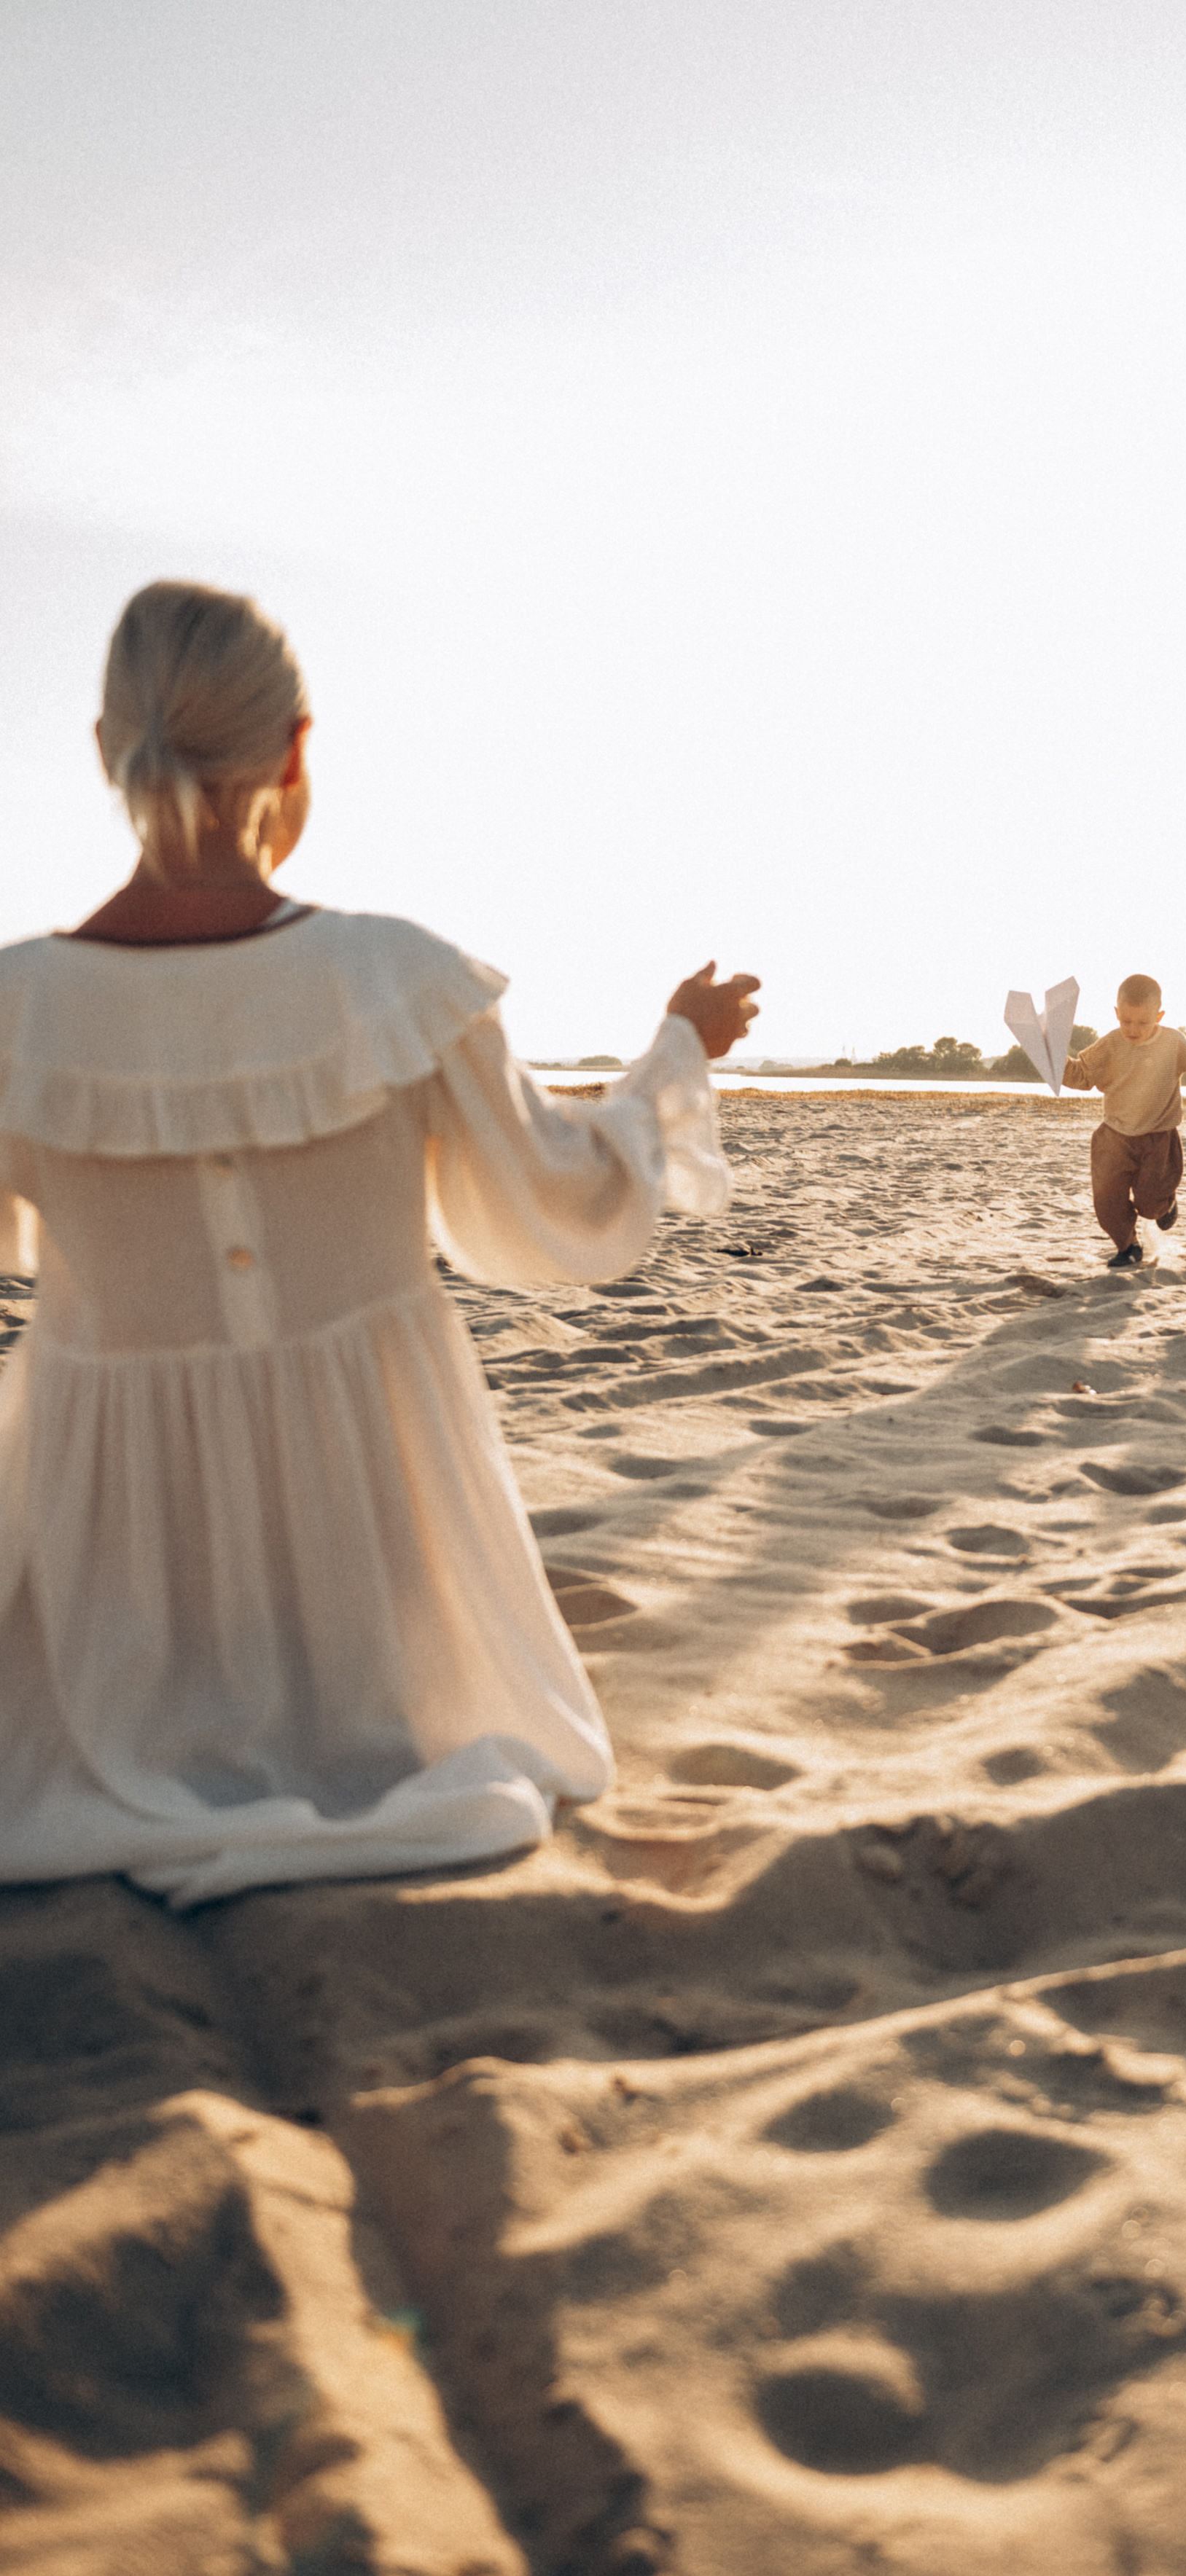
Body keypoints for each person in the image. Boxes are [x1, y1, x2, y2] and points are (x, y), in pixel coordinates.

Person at [0, 579, 759, 1909]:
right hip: (376, 1545)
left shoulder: (17, 1009)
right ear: (295, 750)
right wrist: (676, 1050)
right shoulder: (393, 977)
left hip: (106, 1557)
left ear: (105, 750)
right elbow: (566, 1199)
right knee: (449, 1752)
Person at [1063, 975, 1186, 1267]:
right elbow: (1082, 1075)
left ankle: (1166, 1205)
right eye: (1126, 1021)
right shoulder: (1109, 1045)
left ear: (1159, 1016)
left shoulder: (1173, 1042)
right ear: (1117, 1013)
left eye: (1143, 1022)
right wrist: (1053, 1059)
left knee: (1150, 1203)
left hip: (1158, 1137)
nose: (1133, 1030)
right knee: (1107, 1202)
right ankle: (1128, 1246)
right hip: (1113, 1137)